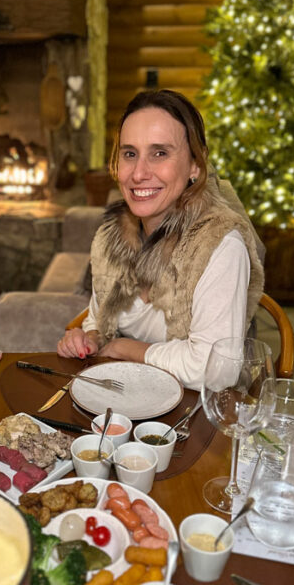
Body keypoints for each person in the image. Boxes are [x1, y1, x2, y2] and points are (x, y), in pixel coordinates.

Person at [56, 89, 264, 390]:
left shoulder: (219, 245)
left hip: (195, 417)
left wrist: (126, 349)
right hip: (127, 402)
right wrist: (89, 338)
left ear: (196, 164)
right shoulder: (110, 238)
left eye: (160, 153)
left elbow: (217, 370)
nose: (139, 173)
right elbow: (99, 319)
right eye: (130, 154)